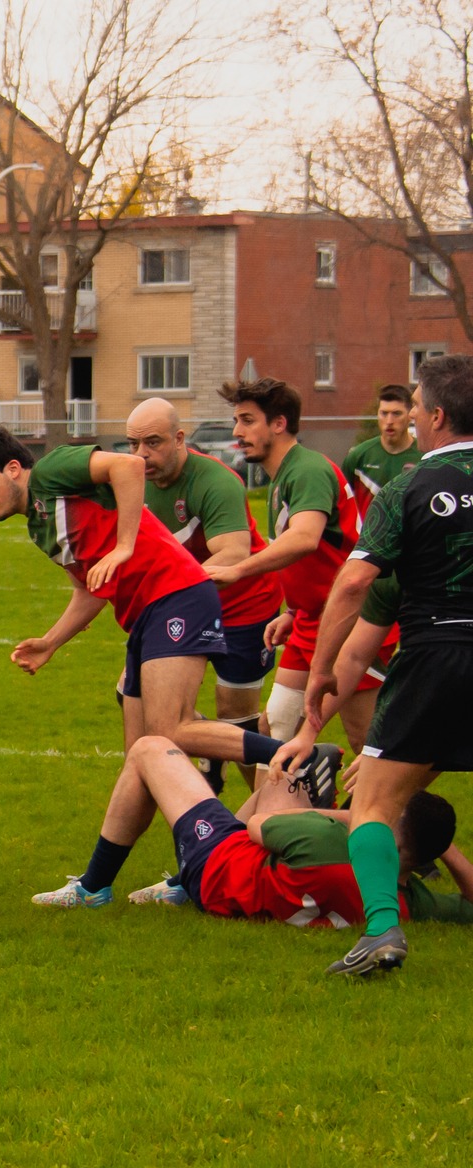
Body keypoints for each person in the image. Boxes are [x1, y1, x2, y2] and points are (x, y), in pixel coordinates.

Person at [0, 428, 293, 906]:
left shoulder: (50, 472)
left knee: (169, 732)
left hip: (177, 596)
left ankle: (296, 756)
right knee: (146, 760)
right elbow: (92, 587)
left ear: (13, 469)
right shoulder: (40, 525)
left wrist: (126, 544)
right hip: (145, 615)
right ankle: (96, 887)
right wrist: (51, 642)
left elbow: (126, 466)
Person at [279, 353, 473, 975]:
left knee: (375, 806)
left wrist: (319, 670)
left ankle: (383, 933)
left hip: (435, 654)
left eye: (415, 405)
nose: (410, 414)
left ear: (437, 416)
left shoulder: (407, 488)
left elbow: (355, 581)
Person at [77, 734, 452, 929]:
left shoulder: (322, 843)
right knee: (284, 788)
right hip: (253, 879)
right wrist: (442, 847)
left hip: (219, 867)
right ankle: (303, 772)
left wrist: (346, 817)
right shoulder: (403, 902)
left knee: (150, 748)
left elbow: (258, 826)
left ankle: (92, 888)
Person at [205, 377, 385, 752]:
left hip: (351, 619)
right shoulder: (282, 476)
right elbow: (311, 556)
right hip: (311, 619)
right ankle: (291, 808)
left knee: (366, 741)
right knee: (276, 727)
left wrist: (239, 569)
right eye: (237, 420)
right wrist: (292, 610)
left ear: (279, 423)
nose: (237, 431)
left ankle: (378, 810)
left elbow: (305, 538)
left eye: (247, 420)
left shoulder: (306, 469)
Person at [129, 397, 286, 791]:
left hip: (245, 608)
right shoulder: (132, 483)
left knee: (235, 713)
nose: (141, 454)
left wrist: (168, 591)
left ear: (180, 438)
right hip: (187, 607)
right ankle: (208, 753)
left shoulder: (215, 481)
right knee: (135, 693)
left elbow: (233, 551)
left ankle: (269, 804)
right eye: (133, 444)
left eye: (152, 443)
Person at [343, 383, 421, 516]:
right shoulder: (358, 456)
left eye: (397, 414)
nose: (389, 421)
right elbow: (342, 504)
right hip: (368, 535)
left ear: (410, 416)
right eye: (384, 413)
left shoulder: (424, 456)